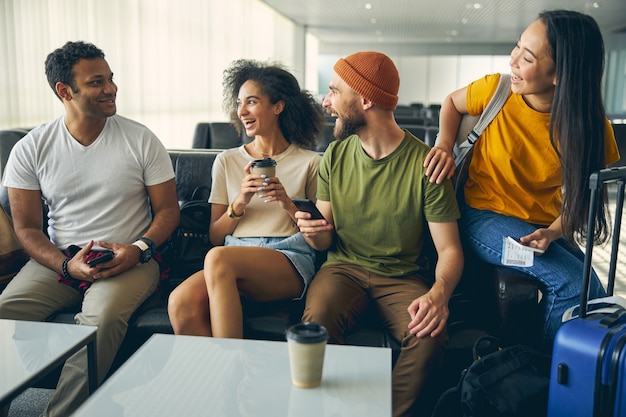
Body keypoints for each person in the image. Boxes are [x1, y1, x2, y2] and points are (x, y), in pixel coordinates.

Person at [0, 41, 180, 417]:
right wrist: (67, 266)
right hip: (59, 260)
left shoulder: (141, 139)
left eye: (111, 79)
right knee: (5, 313)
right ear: (64, 91)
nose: (111, 88)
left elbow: (167, 211)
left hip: (129, 257)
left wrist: (140, 249)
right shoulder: (30, 149)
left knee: (98, 321)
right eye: (97, 82)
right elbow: (28, 229)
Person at [424, 10, 620, 348]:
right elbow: (451, 104)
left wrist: (555, 230)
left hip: (539, 225)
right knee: (573, 286)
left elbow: (583, 196)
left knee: (595, 293)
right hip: (483, 216)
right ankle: (541, 374)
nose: (512, 60)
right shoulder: (497, 90)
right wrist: (443, 143)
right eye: (517, 47)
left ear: (560, 74)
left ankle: (572, 372)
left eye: (526, 57)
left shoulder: (588, 124)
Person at [295, 51, 464, 417]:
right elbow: (325, 237)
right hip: (342, 270)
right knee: (315, 326)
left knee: (429, 336)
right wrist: (312, 232)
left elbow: (449, 250)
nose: (326, 102)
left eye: (333, 91)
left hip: (401, 276)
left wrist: (439, 295)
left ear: (366, 99)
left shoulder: (426, 165)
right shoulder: (334, 157)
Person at [167, 59, 324, 338]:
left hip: (286, 258)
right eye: (239, 103)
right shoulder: (226, 161)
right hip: (229, 257)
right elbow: (216, 237)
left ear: (278, 106)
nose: (242, 111)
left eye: (251, 102)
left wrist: (287, 203)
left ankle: (230, 369)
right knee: (180, 302)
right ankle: (217, 379)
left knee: (219, 259)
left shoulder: (310, 162)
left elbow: (322, 240)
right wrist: (239, 203)